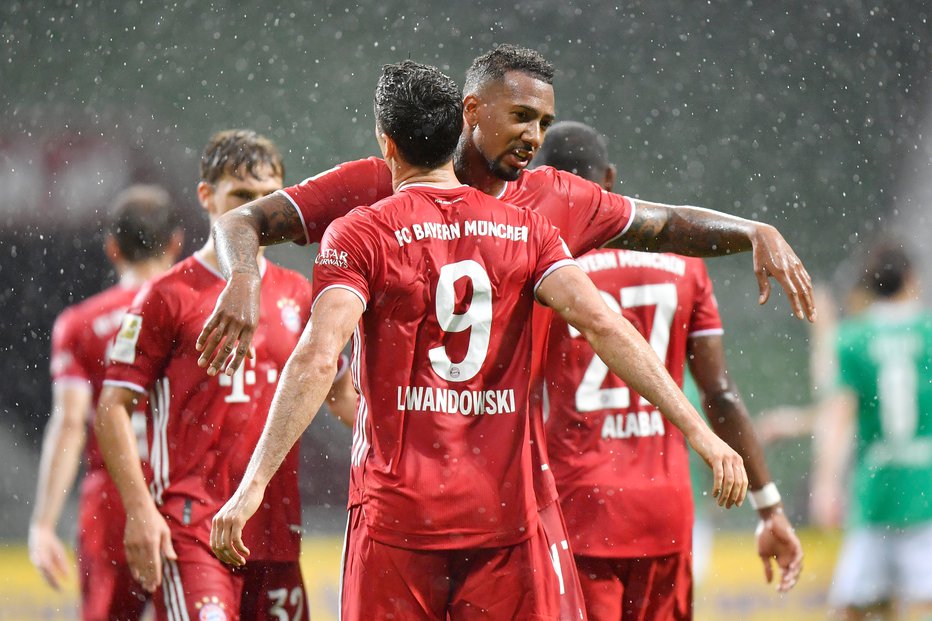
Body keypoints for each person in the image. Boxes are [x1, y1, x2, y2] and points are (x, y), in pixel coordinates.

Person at [197, 45, 812, 619]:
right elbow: (243, 223)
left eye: (544, 123)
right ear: (470, 111)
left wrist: (751, 230)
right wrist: (245, 280)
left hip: (505, 506)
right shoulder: (382, 189)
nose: (533, 137)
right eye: (521, 116)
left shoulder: (549, 200)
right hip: (427, 504)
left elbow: (664, 226)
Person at [535, 121, 803, 620]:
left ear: (540, 180)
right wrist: (769, 507)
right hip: (664, 512)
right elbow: (719, 394)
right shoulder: (683, 264)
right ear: (609, 178)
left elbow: (523, 394)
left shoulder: (547, 266)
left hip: (579, 506)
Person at [94, 130, 352, 621]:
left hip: (276, 532)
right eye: (240, 197)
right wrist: (140, 510)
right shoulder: (168, 295)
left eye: (265, 198)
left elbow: (340, 394)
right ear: (206, 197)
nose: (254, 212)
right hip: (193, 531)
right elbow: (113, 406)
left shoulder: (299, 294)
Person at [29, 185, 181, 621]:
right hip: (186, 493)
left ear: (112, 249)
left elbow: (71, 422)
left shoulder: (81, 324)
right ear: (176, 242)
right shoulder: (198, 311)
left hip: (113, 502)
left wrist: (43, 522)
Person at [810, 241, 932, 621]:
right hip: (926, 490)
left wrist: (827, 483)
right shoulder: (928, 331)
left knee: (852, 609)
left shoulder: (854, 339)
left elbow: (838, 416)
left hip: (877, 492)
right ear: (911, 279)